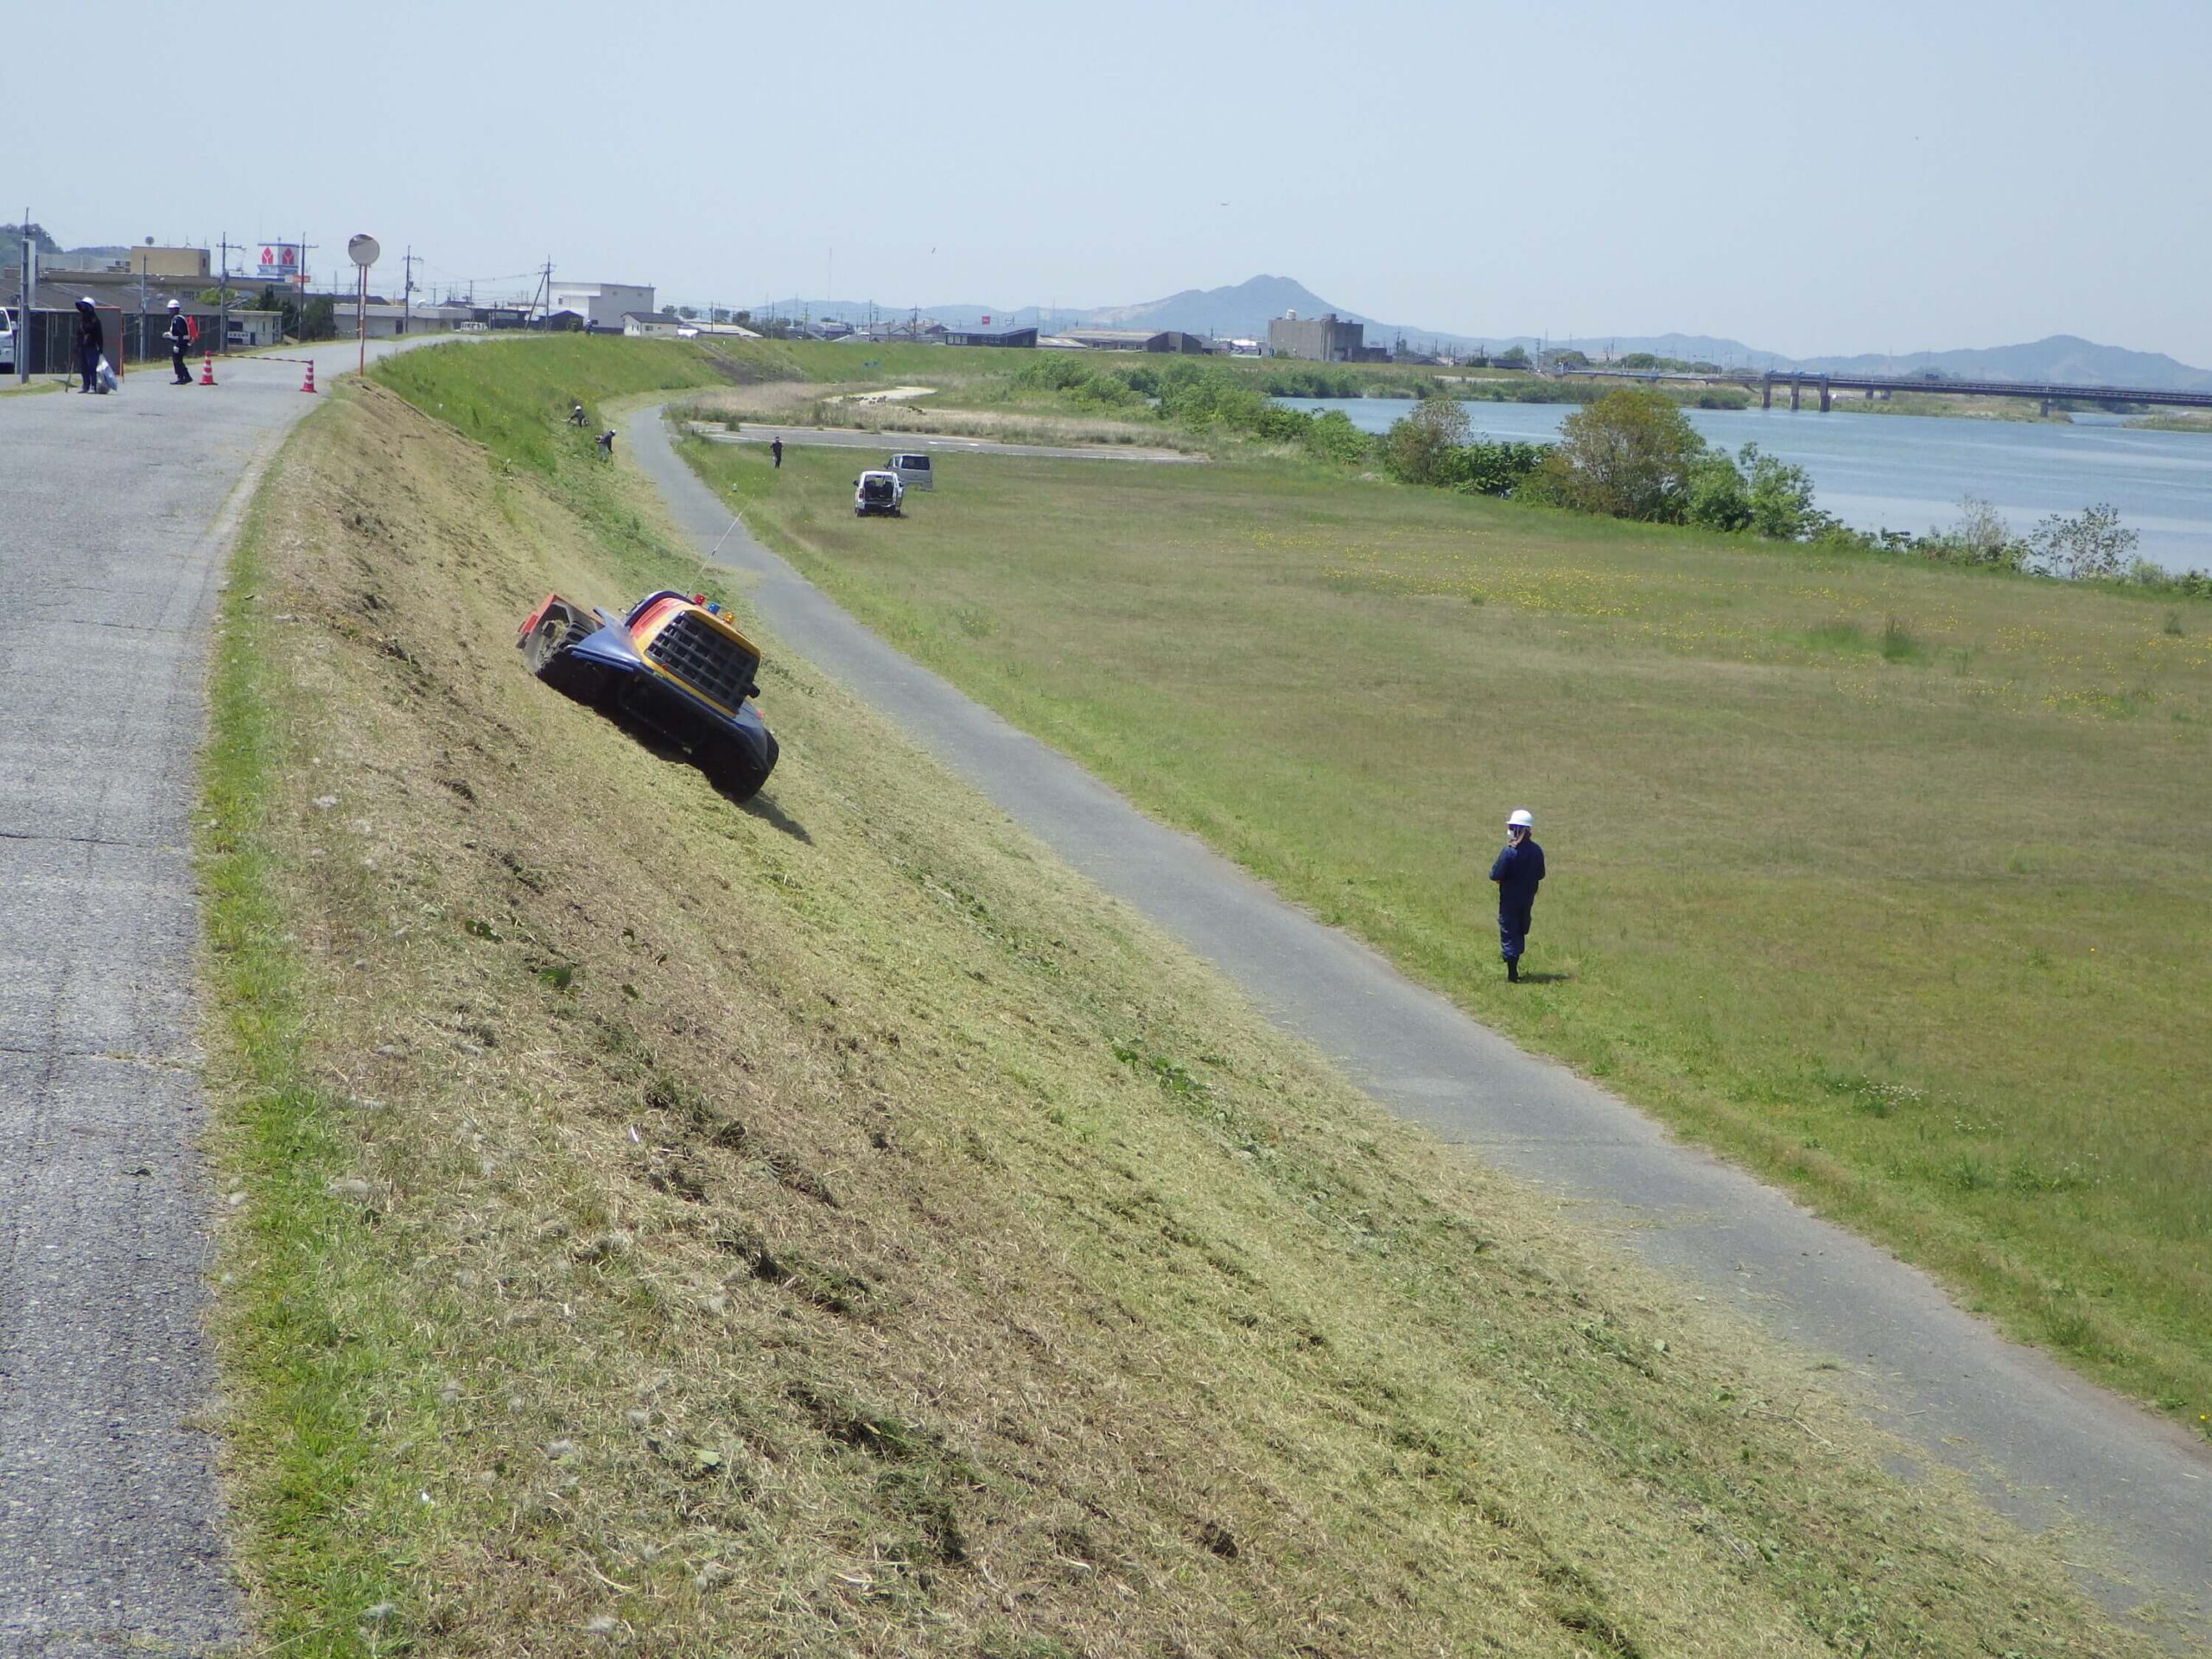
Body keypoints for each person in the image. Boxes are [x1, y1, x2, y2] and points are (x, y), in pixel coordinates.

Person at [1488, 808, 1546, 982]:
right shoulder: (1537, 850)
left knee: (1508, 931)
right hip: (1527, 898)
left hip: (1509, 900)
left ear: (1517, 828)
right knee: (1521, 929)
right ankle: (1515, 960)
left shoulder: (1509, 852)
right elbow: (1541, 874)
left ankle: (1512, 973)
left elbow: (1495, 874)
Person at [73, 297, 105, 394]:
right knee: (83, 367)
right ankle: (85, 385)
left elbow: (99, 336)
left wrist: (100, 347)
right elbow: (78, 334)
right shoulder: (82, 320)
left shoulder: (95, 321)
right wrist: (76, 346)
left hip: (91, 346)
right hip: (82, 346)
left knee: (92, 367)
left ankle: (93, 386)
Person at [164, 300, 193, 385]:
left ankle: (184, 377)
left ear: (175, 310)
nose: (170, 311)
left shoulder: (178, 319)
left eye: (171, 309)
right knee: (177, 360)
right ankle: (183, 377)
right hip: (180, 343)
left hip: (181, 343)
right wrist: (169, 334)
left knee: (178, 360)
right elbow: (176, 332)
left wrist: (177, 345)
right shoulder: (176, 319)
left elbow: (181, 334)